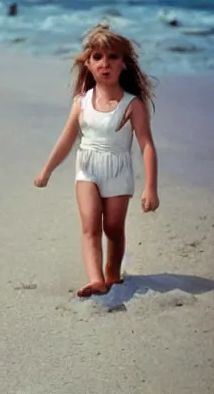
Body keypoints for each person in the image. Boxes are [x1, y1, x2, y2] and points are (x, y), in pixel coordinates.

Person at [34, 23, 159, 298]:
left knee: (113, 228)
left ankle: (112, 274)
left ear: (124, 64)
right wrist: (47, 170)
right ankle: (96, 279)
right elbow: (66, 140)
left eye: (113, 57)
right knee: (90, 226)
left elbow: (146, 144)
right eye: (98, 57)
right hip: (87, 169)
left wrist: (150, 187)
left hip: (118, 170)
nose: (105, 63)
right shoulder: (82, 102)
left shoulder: (132, 104)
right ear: (88, 64)